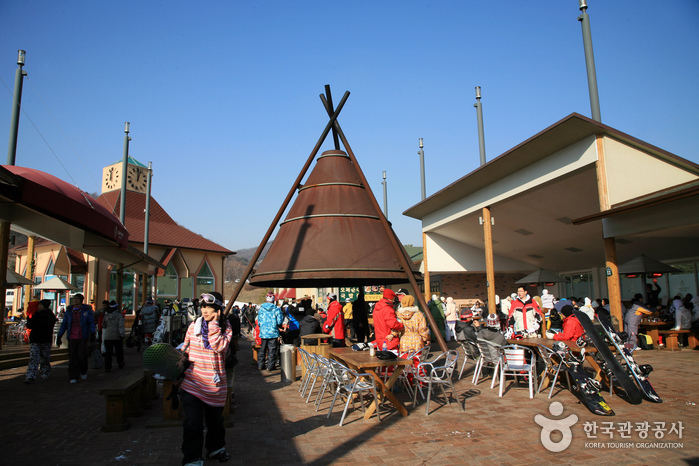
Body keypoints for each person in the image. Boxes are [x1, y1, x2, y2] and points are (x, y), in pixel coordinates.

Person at [180, 292, 233, 465]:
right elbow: (185, 348)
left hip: (214, 384)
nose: (204, 310)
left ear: (217, 309)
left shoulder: (225, 327)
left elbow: (218, 346)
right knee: (192, 424)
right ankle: (192, 457)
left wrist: (214, 324)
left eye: (209, 307)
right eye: (202, 307)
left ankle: (216, 449)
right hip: (192, 382)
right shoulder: (193, 326)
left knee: (215, 422)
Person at [56, 293, 96, 383]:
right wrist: (59, 335)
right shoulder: (69, 311)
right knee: (72, 356)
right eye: (74, 299)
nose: (75, 300)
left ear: (81, 300)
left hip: (82, 336)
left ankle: (83, 370)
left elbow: (91, 323)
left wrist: (93, 333)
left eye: (77, 299)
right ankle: (73, 375)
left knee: (82, 356)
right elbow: (64, 324)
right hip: (72, 336)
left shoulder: (86, 311)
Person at [24, 299, 57, 383]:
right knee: (38, 358)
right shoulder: (45, 315)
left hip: (42, 339)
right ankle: (34, 374)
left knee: (42, 358)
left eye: (40, 305)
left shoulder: (47, 315)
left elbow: (30, 325)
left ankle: (37, 374)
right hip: (40, 339)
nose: (39, 306)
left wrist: (29, 320)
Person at [256, 293, 283, 371]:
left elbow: (258, 321)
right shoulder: (276, 309)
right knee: (272, 350)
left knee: (262, 349)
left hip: (264, 332)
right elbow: (279, 321)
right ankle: (270, 366)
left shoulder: (261, 309)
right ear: (273, 300)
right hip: (273, 332)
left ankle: (261, 365)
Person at [102, 300, 126, 372]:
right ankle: (120, 362)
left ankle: (108, 366)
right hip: (116, 335)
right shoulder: (119, 315)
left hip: (108, 335)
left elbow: (104, 325)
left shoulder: (106, 315)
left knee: (108, 352)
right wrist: (122, 334)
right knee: (119, 351)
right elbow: (121, 325)